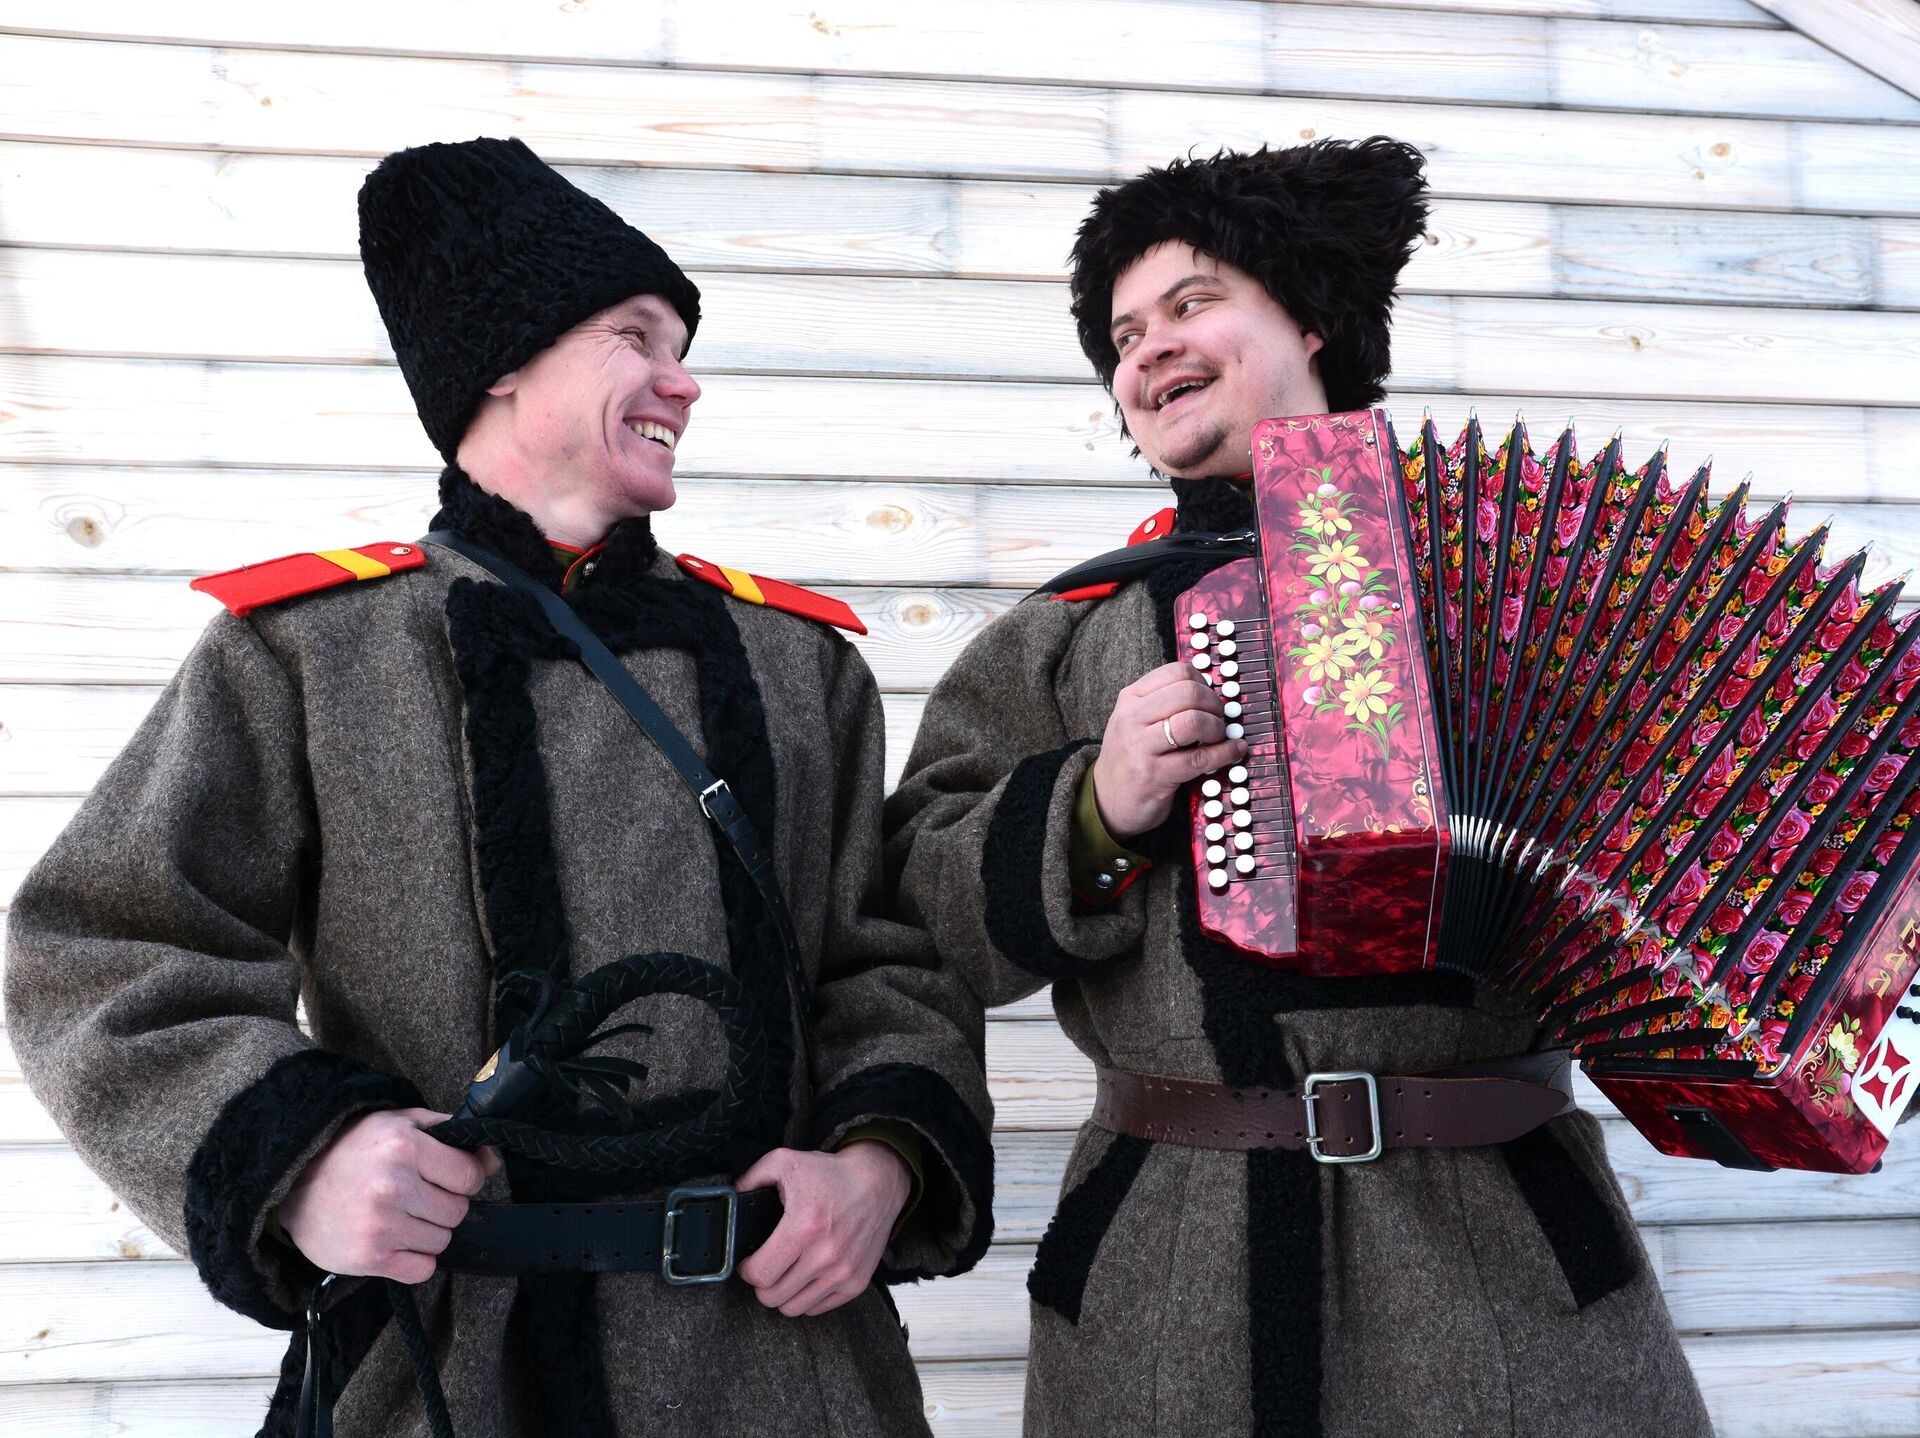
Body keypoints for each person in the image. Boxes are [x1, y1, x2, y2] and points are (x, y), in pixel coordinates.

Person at [5, 136, 991, 1438]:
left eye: (683, 346)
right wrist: (303, 1154)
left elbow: (887, 958)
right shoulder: (309, 649)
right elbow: (101, 945)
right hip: (449, 1367)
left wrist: (880, 1162)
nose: (684, 380)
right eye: (636, 337)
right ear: (504, 361)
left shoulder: (800, 663)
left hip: (782, 1368)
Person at [884, 138, 1712, 1437]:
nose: (1149, 348)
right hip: (1173, 1263)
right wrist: (1093, 806)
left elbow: (1712, 842)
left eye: (1193, 301)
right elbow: (919, 911)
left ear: (1313, 320)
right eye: (1123, 335)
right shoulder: (1062, 630)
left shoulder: (1532, 579)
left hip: (1508, 1251)